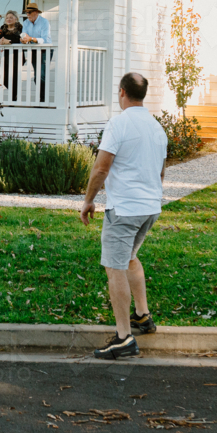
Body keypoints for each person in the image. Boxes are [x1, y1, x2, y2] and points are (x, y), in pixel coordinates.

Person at [80, 72, 167, 360]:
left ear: (122, 93)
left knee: (114, 266)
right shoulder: (157, 128)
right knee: (129, 257)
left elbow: (102, 168)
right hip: (150, 207)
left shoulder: (118, 124)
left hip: (125, 209)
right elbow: (161, 172)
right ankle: (142, 316)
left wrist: (88, 201)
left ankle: (123, 338)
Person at [20, 3, 51, 102]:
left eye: (29, 12)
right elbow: (24, 35)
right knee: (37, 76)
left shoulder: (44, 22)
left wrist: (31, 38)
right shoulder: (26, 23)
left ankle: (43, 99)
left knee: (41, 75)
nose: (27, 14)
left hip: (44, 50)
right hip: (33, 50)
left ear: (36, 12)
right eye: (26, 12)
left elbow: (44, 40)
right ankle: (41, 98)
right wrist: (23, 40)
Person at [0, 10, 23, 102]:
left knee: (14, 77)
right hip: (4, 56)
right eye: (7, 18)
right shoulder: (3, 27)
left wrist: (9, 42)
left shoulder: (20, 27)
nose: (8, 19)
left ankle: (13, 98)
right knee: (5, 78)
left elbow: (22, 39)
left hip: (16, 56)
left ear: (16, 18)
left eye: (11, 17)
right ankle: (14, 94)